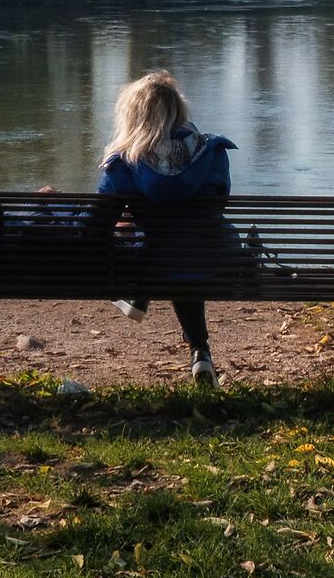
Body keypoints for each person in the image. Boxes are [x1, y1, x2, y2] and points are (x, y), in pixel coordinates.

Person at [96, 69, 237, 387]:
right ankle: (200, 352)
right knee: (185, 247)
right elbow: (219, 205)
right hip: (218, 259)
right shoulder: (211, 151)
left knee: (164, 250)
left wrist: (127, 221)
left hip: (156, 264)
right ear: (179, 111)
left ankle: (136, 295)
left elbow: (95, 225)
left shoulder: (124, 161)